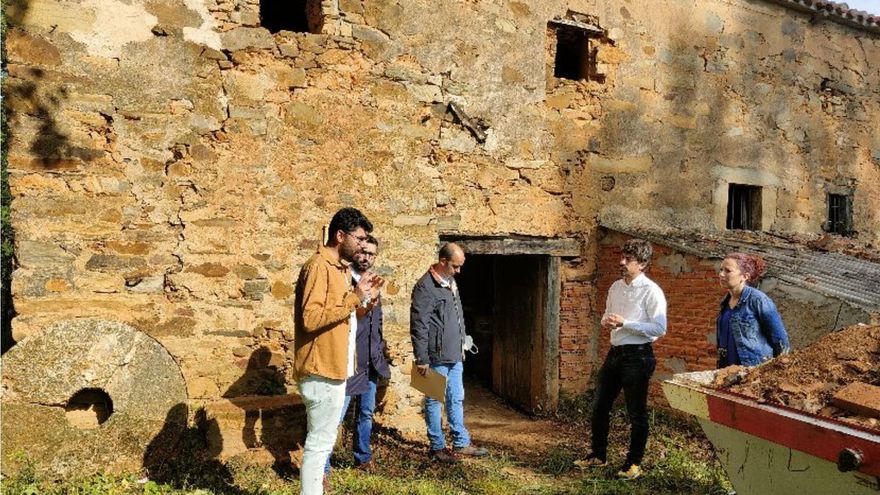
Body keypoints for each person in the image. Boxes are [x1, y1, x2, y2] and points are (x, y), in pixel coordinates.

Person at [293, 207, 381, 495]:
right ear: (340, 235)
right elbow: (311, 318)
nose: (363, 245)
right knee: (319, 445)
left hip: (334, 368)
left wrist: (362, 298)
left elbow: (342, 314)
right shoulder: (319, 266)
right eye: (359, 238)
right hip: (321, 368)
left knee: (323, 442)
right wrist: (353, 298)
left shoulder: (339, 269)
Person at [578, 239, 667, 480]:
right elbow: (607, 315)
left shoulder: (651, 291)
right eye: (622, 257)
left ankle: (633, 464)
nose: (622, 262)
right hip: (615, 353)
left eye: (628, 259)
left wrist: (625, 323)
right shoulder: (616, 287)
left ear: (644, 264)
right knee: (599, 407)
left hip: (638, 356)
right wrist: (606, 321)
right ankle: (598, 455)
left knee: (636, 413)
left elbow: (659, 328)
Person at [410, 242, 488, 463]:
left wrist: (462, 342)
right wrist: (421, 358)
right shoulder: (425, 287)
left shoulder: (450, 281)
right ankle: (437, 447)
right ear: (443, 262)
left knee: (456, 398)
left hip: (454, 354)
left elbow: (457, 318)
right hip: (434, 357)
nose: (459, 271)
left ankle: (461, 443)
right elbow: (419, 325)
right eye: (455, 266)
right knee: (434, 401)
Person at [325, 234, 391, 472]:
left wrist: (381, 349)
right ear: (355, 252)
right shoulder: (343, 281)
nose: (366, 257)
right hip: (349, 360)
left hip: (370, 361)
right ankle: (322, 467)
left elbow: (376, 322)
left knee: (365, 413)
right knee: (336, 415)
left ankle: (362, 458)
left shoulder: (374, 283)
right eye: (362, 252)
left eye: (371, 254)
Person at [717, 252, 790, 367]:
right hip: (728, 371)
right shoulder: (725, 303)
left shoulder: (758, 300)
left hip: (754, 369)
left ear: (745, 276)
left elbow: (780, 339)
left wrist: (779, 369)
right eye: (721, 270)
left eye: (728, 271)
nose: (721, 274)